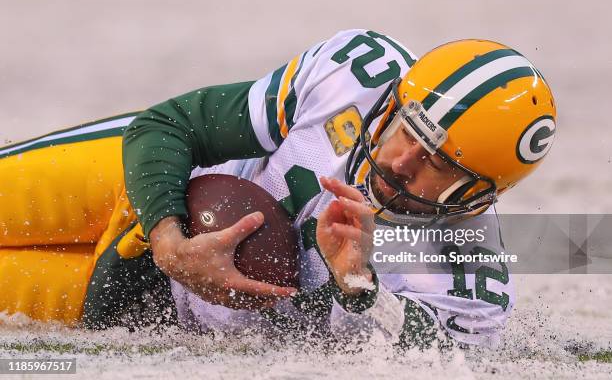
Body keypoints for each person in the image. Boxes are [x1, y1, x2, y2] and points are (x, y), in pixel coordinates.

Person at [0, 29, 556, 349]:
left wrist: (359, 285)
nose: (404, 161)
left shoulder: (464, 271)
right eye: (406, 131)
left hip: (140, 307)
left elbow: (437, 359)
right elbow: (168, 126)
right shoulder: (357, 74)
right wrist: (169, 241)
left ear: (477, 196)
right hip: (137, 188)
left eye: (437, 164)